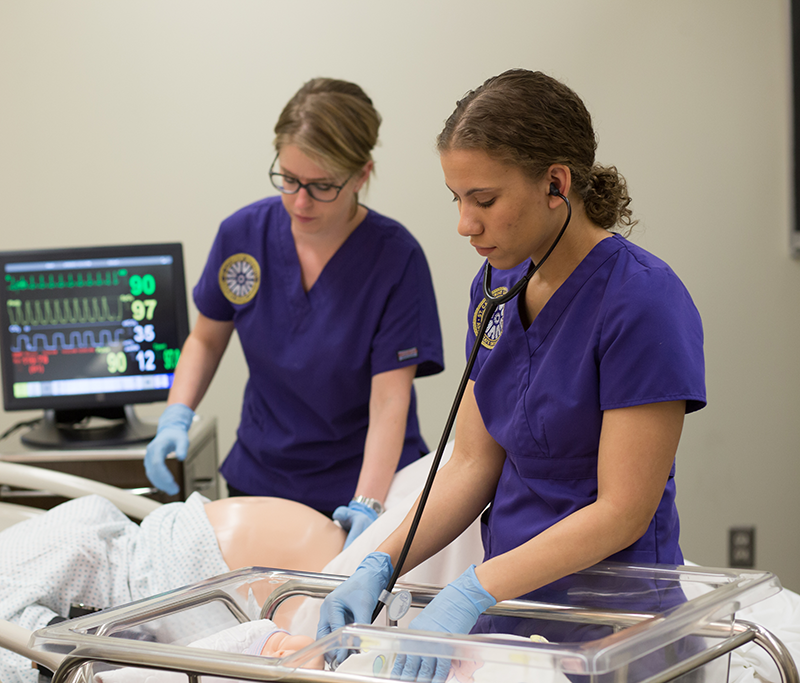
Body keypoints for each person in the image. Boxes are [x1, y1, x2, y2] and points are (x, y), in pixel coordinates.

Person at [316, 69, 707, 681]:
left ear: (556, 183)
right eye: (457, 199)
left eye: (485, 199)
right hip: (513, 615)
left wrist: (471, 590)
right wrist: (378, 562)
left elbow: (623, 511)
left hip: (617, 632)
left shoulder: (642, 301)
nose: (465, 224)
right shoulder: (498, 287)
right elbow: (473, 464)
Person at [144, 77, 444, 544]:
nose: (300, 201)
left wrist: (368, 503)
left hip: (365, 483)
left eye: (322, 186)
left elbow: (390, 399)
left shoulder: (395, 258)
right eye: (289, 179)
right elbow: (206, 338)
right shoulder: (242, 234)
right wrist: (176, 416)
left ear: (362, 175)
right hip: (262, 479)